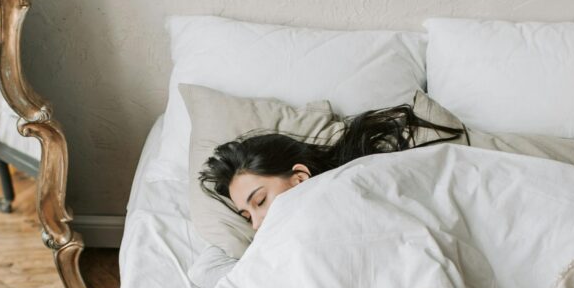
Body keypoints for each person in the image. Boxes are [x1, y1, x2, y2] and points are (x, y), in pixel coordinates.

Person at [199, 104, 465, 230]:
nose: (256, 225)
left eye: (260, 201)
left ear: (299, 178)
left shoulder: (355, 182)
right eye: (247, 217)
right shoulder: (278, 241)